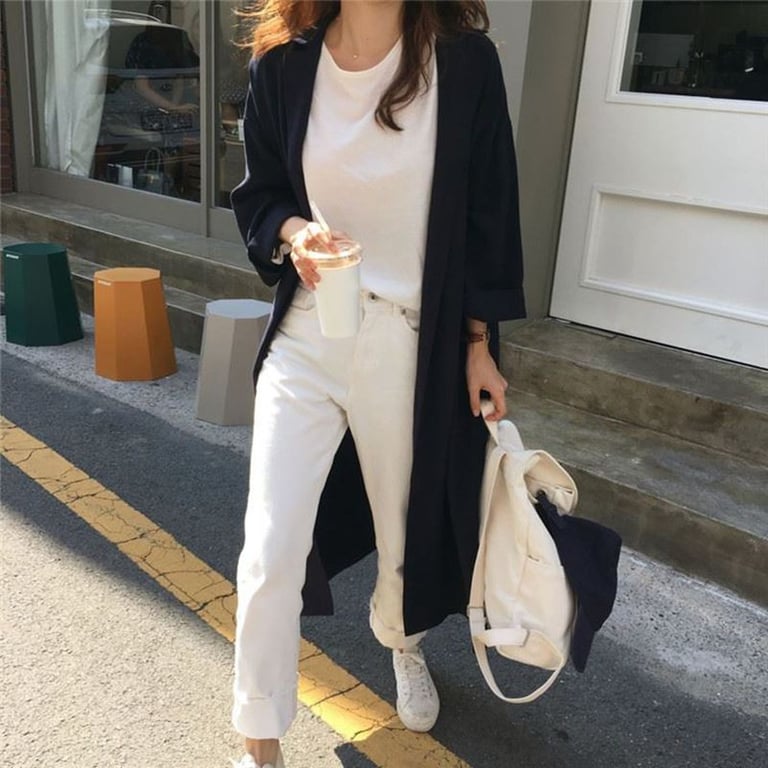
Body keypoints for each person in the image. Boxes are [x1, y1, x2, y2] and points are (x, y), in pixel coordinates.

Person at [230, 1, 525, 766]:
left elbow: (489, 213)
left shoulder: (463, 65)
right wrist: (296, 233)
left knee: (404, 530)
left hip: (408, 339)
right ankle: (259, 743)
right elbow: (261, 197)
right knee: (271, 542)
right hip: (310, 330)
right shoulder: (283, 66)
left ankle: (402, 641)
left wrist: (478, 345)